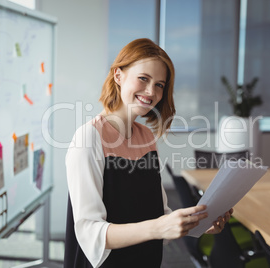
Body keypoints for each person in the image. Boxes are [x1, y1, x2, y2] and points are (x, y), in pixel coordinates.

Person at [64, 38, 232, 268]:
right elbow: (89, 232)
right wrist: (159, 227)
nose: (151, 91)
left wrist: (199, 224)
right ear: (118, 76)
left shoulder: (146, 137)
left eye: (160, 85)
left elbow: (158, 213)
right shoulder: (88, 138)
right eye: (143, 78)